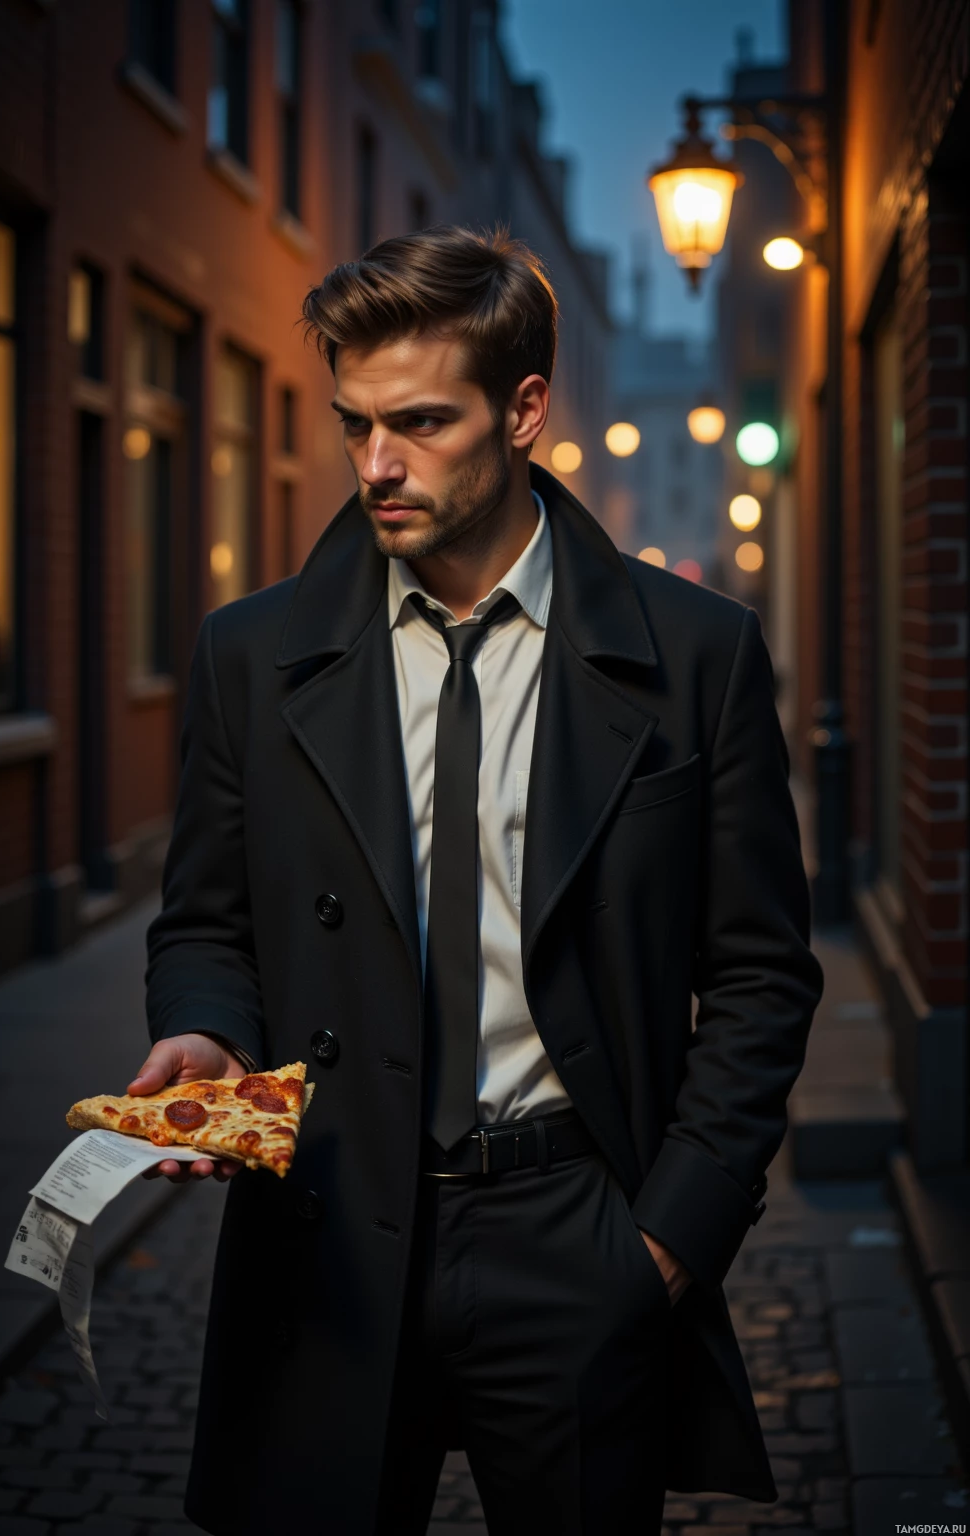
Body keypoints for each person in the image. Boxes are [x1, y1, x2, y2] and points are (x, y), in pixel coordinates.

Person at [132, 224, 824, 1535]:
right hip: (325, 1230)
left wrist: (666, 1242)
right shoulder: (249, 652)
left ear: (523, 410)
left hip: (575, 1230)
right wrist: (204, 1028)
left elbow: (759, 974)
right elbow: (207, 918)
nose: (376, 465)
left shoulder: (697, 657)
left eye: (421, 422)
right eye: (354, 424)